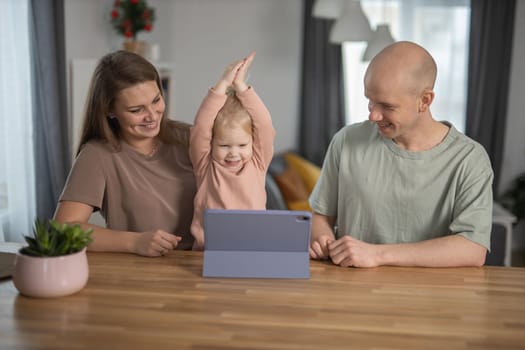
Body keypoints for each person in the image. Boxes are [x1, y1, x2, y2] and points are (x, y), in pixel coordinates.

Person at [309, 41, 494, 268]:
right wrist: (322, 238)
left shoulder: (470, 159)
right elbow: (321, 215)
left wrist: (377, 255)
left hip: (434, 297)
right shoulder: (346, 141)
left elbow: (473, 249)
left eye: (387, 106)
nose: (373, 115)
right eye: (370, 101)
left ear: (424, 100)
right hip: (350, 292)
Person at [54, 50, 196, 257]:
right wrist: (135, 242)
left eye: (156, 100)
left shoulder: (189, 137)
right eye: (136, 110)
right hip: (141, 273)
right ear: (110, 111)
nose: (152, 116)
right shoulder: (98, 155)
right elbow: (63, 230)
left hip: (202, 266)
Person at [189, 51, 275, 250]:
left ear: (252, 144)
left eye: (242, 146)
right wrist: (223, 83)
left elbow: (264, 124)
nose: (234, 153)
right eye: (224, 146)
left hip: (254, 249)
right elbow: (201, 127)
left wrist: (241, 88)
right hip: (207, 253)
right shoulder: (205, 165)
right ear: (211, 144)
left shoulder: (257, 162)